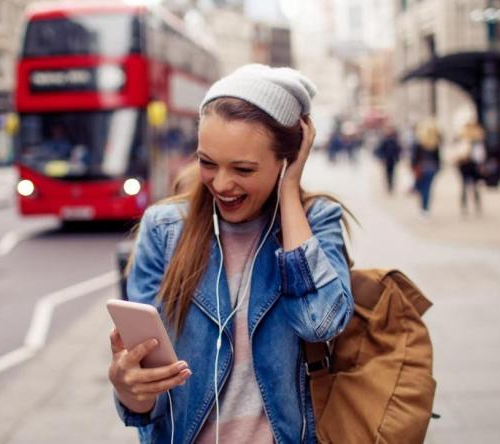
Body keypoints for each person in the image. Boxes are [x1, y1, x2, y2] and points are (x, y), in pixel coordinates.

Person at [109, 64, 354, 444]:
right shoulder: (163, 229)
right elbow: (151, 403)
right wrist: (130, 388)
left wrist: (289, 193)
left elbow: (319, 323)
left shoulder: (316, 221)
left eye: (243, 168)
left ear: (287, 160)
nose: (221, 185)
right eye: (207, 163)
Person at [450, 121, 485, 215]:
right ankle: (471, 205)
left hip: (467, 165)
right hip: (468, 165)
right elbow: (480, 155)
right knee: (471, 186)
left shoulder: (472, 140)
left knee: (468, 186)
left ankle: (467, 206)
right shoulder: (471, 140)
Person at [411, 118, 442, 218]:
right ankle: (426, 208)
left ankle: (423, 208)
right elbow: (438, 158)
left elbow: (414, 158)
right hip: (432, 168)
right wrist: (438, 168)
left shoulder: (419, 142)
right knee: (427, 189)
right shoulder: (434, 142)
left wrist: (413, 167)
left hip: (422, 168)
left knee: (423, 189)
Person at [375, 126, 402, 194]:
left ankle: (391, 185)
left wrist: (397, 158)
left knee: (392, 173)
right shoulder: (384, 141)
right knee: (387, 173)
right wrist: (382, 157)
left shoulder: (394, 140)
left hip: (392, 160)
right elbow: (379, 150)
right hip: (387, 160)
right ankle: (389, 185)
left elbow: (398, 150)